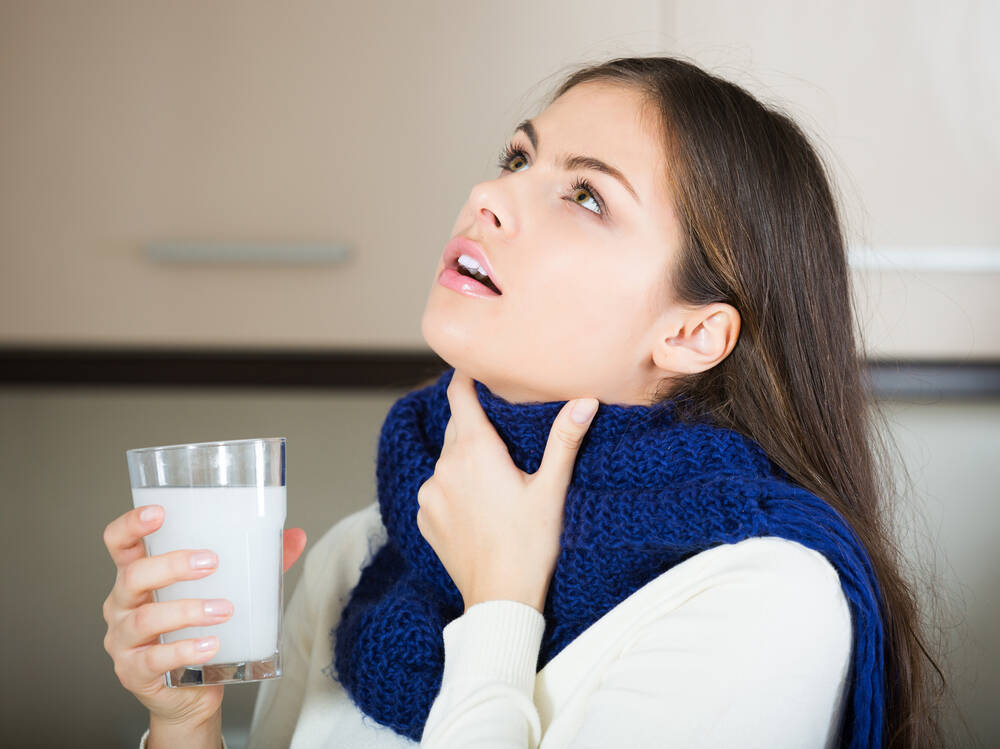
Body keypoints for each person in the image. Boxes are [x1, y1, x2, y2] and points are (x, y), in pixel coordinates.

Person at [102, 55, 945, 748]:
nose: (487, 197)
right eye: (516, 158)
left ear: (691, 334)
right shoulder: (364, 554)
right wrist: (185, 723)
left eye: (586, 195)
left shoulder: (769, 598)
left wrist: (500, 602)